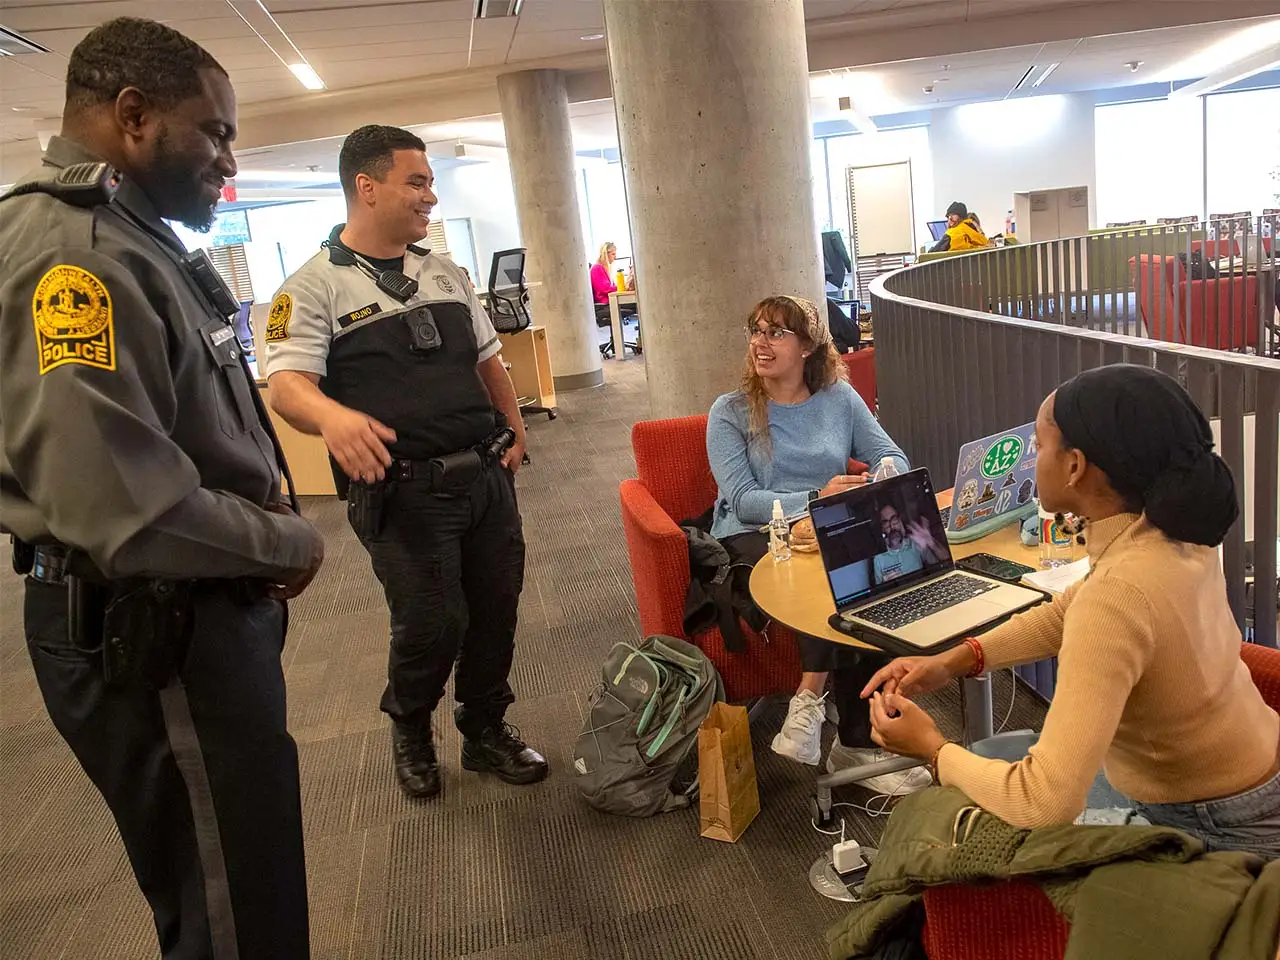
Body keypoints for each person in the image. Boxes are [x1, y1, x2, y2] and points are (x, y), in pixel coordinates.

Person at [0, 17, 324, 957]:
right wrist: (287, 542)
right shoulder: (78, 260)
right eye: (214, 130)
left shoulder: (130, 238)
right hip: (150, 628)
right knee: (234, 917)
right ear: (132, 115)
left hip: (186, 617)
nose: (228, 157)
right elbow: (125, 513)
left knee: (241, 884)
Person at [863, 365, 1280, 857]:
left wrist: (933, 750)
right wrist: (957, 659)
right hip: (1250, 777)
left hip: (1212, 824)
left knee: (943, 838)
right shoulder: (1171, 532)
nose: (1034, 460)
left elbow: (1042, 802)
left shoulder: (1121, 588)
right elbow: (1069, 611)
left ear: (1076, 466)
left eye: (1039, 447)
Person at [262, 124, 547, 801]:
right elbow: (286, 384)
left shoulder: (442, 270)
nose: (430, 198)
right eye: (416, 182)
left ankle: (485, 729)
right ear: (367, 187)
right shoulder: (309, 288)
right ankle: (411, 730)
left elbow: (487, 361)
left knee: (494, 607)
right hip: (403, 492)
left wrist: (513, 427)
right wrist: (331, 416)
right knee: (431, 621)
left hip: (484, 476)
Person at [705, 295, 932, 793]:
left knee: (877, 570)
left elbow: (890, 452)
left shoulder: (839, 400)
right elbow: (742, 501)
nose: (761, 343)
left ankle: (829, 716)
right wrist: (817, 498)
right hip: (752, 537)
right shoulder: (731, 411)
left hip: (826, 527)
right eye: (756, 331)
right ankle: (836, 723)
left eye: (776, 333)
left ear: (807, 346)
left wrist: (879, 477)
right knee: (833, 574)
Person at [873, 500, 946, 584]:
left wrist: (931, 542)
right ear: (882, 528)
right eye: (885, 522)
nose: (892, 525)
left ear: (900, 521)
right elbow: (879, 592)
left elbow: (944, 562)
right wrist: (886, 585)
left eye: (894, 519)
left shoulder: (915, 542)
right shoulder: (878, 559)